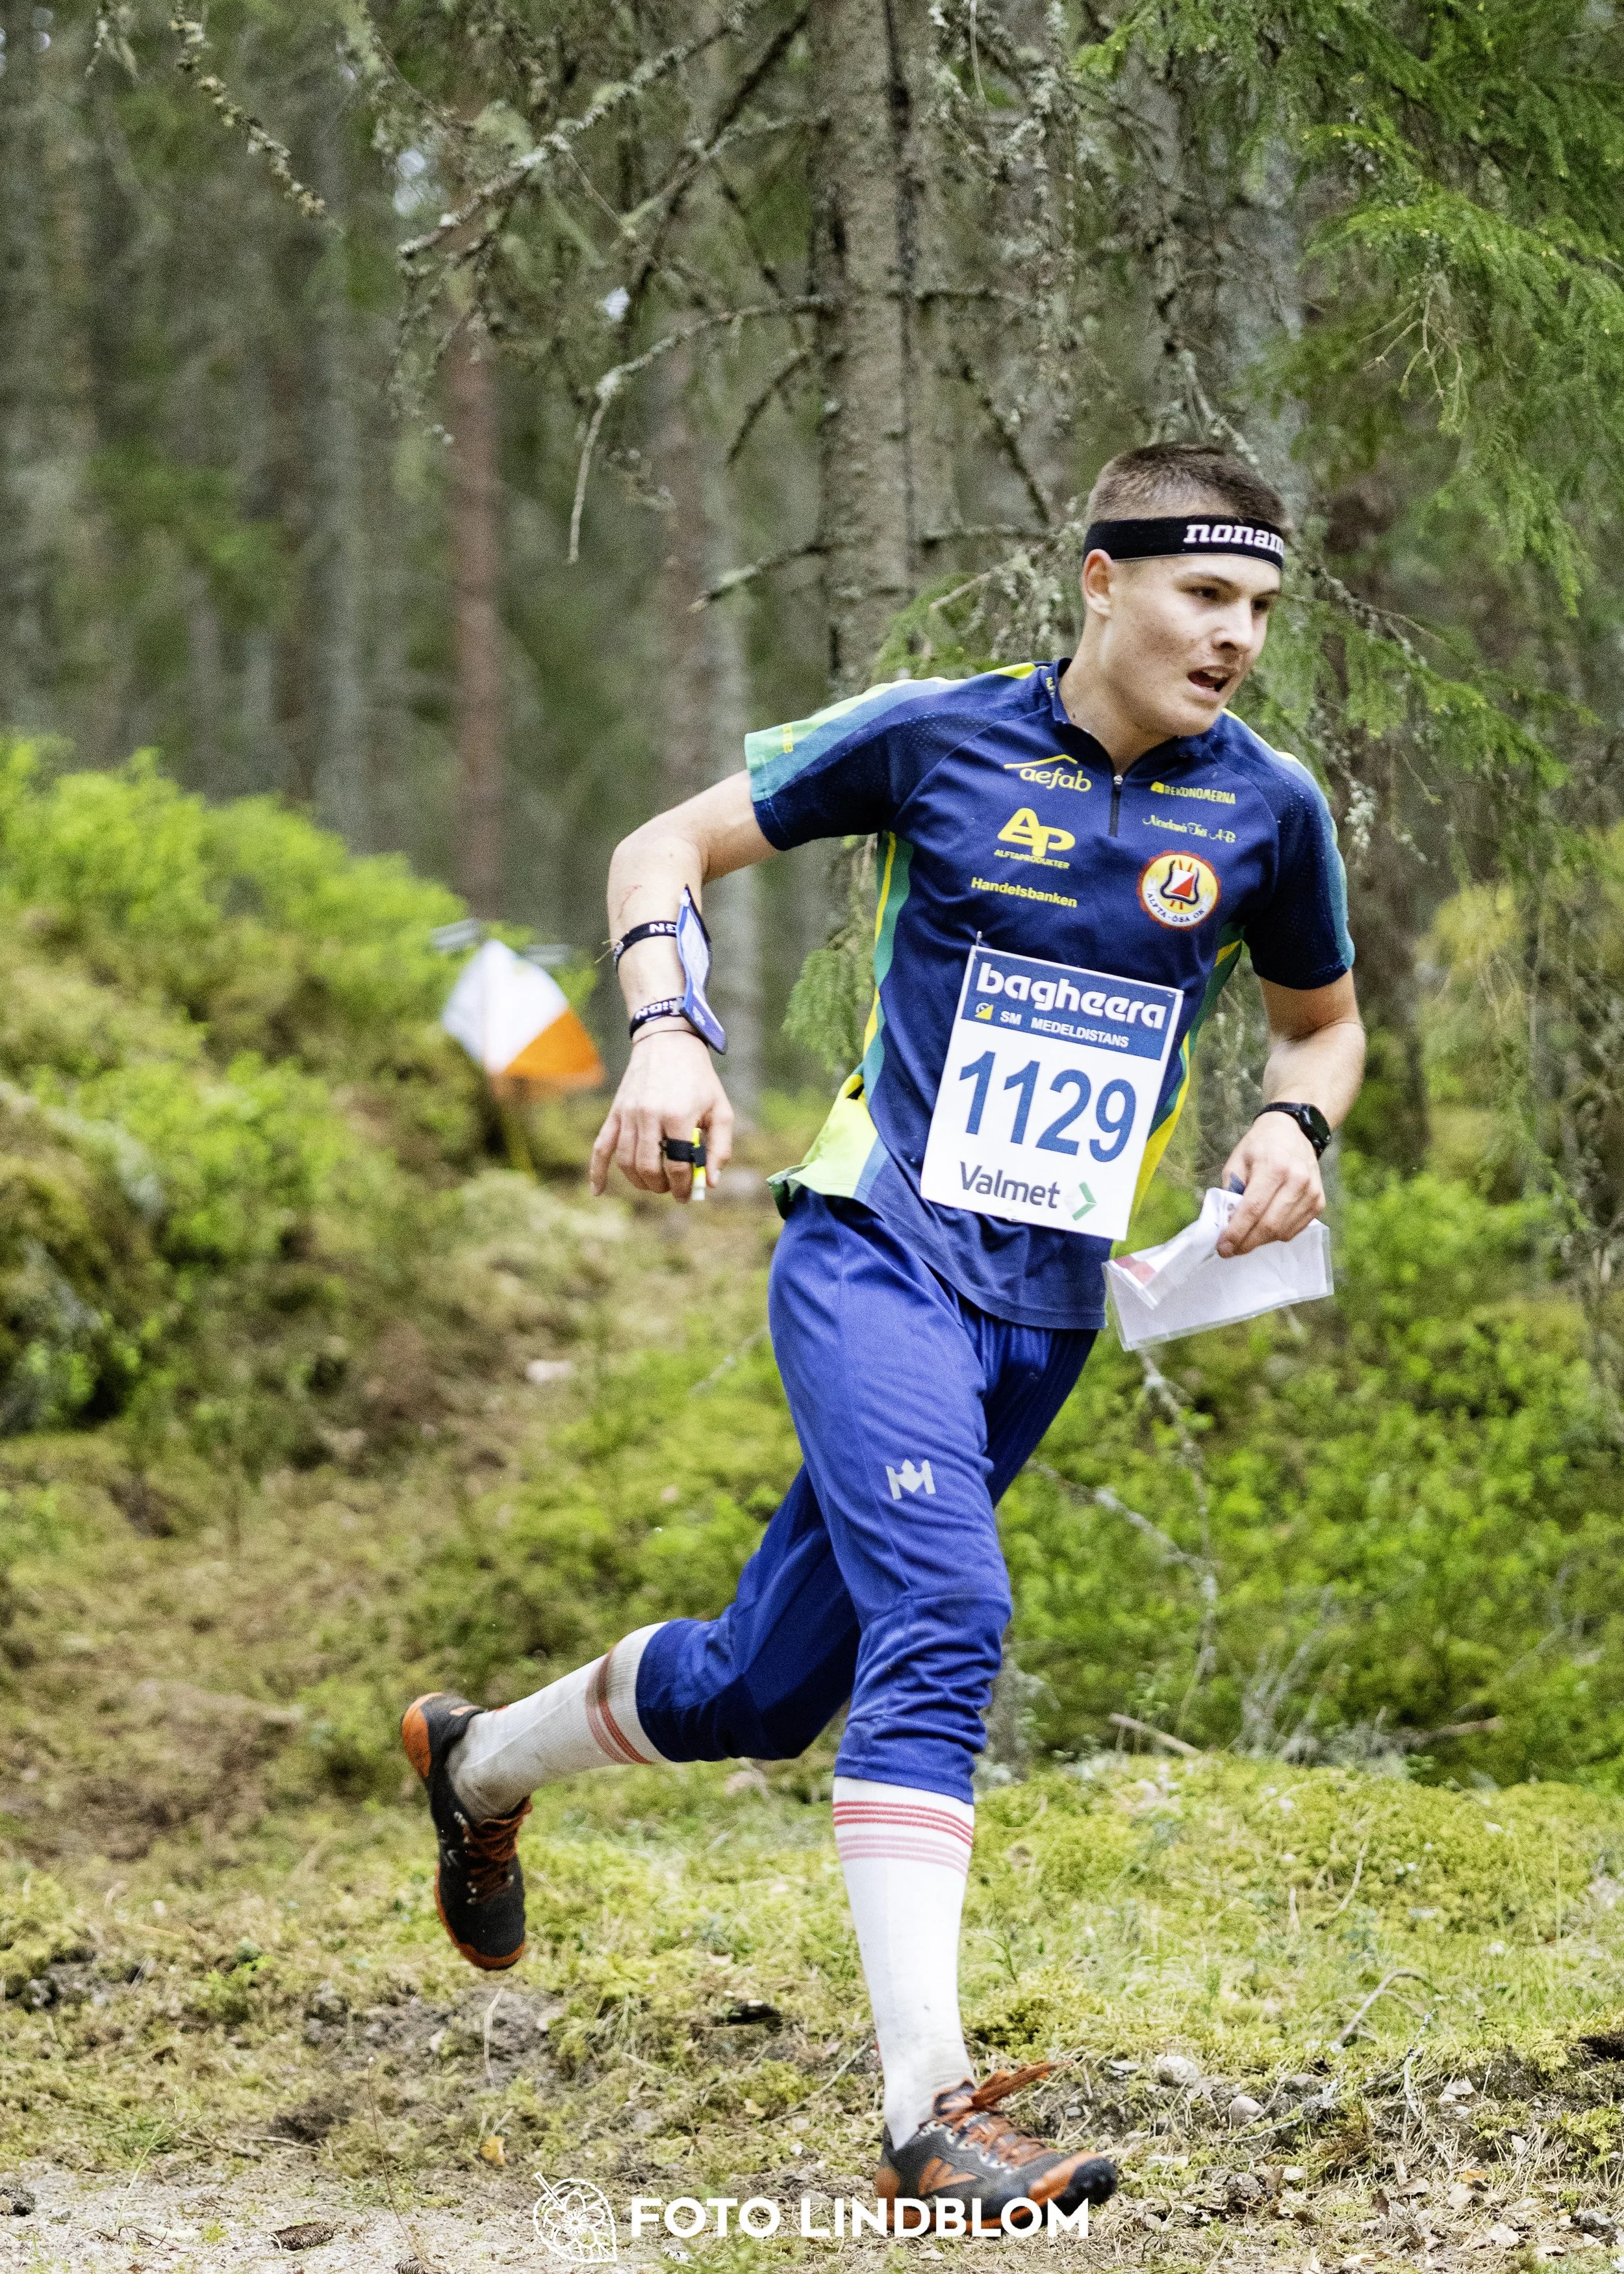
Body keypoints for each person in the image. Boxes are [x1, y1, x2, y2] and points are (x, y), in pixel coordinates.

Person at [402, 441, 1365, 2225]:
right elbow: (662, 845)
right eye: (1200, 594)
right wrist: (671, 1030)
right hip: (871, 1255)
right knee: (951, 1607)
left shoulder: (1265, 811)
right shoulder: (938, 735)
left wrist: (1291, 1125)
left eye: (1256, 607)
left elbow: (1318, 1023)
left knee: (764, 1688)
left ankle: (473, 1762)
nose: (1232, 637)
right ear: (1100, 579)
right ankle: (927, 2116)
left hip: (1044, 1311)